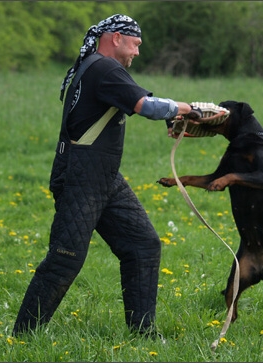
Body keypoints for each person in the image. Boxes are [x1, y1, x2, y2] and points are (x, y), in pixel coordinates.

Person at [12, 14, 202, 339]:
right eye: (135, 44)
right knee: (65, 259)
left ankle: (144, 335)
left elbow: (132, 104)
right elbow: (147, 106)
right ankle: (22, 337)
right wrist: (192, 107)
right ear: (116, 38)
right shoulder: (104, 68)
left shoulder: (97, 68)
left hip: (103, 178)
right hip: (81, 180)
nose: (137, 53)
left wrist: (175, 120)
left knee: (143, 245)